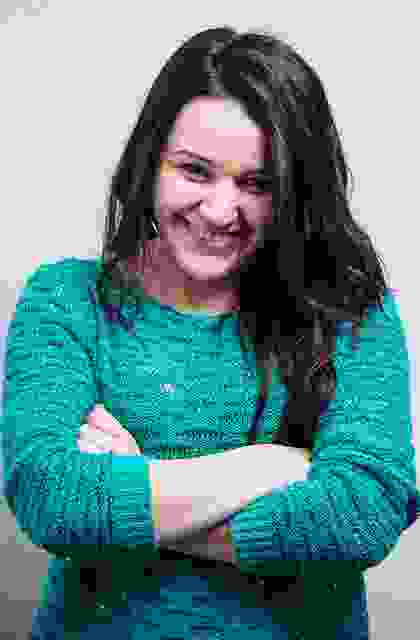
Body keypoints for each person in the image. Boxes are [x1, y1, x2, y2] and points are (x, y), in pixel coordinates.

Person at [2, 25, 419, 640]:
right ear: (150, 163)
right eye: (195, 171)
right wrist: (263, 467)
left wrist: (137, 486)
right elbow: (53, 497)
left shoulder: (348, 310)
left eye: (257, 184)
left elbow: (362, 512)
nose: (221, 212)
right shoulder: (68, 299)